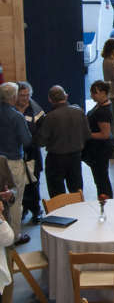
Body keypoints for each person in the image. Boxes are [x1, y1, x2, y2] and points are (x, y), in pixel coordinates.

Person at [36, 86, 90, 197]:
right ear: (66, 96)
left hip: (56, 159)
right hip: (75, 157)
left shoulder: (50, 117)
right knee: (76, 192)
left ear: (50, 100)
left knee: (57, 194)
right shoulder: (79, 112)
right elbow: (87, 134)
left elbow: (41, 141)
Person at [0, 82, 31, 242]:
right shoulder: (16, 116)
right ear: (13, 97)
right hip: (13, 162)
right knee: (15, 201)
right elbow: (26, 141)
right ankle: (15, 236)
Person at [0, 165, 28, 303]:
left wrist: (10, 195)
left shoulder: (2, 161)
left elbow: (14, 191)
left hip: (3, 230)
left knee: (7, 275)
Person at [15, 82, 43, 225]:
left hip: (32, 153)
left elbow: (42, 131)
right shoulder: (10, 109)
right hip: (16, 154)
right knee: (20, 184)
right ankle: (23, 209)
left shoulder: (36, 109)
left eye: (27, 95)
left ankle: (36, 210)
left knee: (34, 182)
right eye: (22, 96)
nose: (25, 99)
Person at [83, 81, 114, 199]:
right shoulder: (100, 105)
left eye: (94, 93)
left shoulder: (103, 112)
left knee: (101, 179)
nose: (92, 95)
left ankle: (106, 202)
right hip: (97, 149)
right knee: (100, 179)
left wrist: (87, 134)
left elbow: (104, 134)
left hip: (100, 150)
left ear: (103, 93)